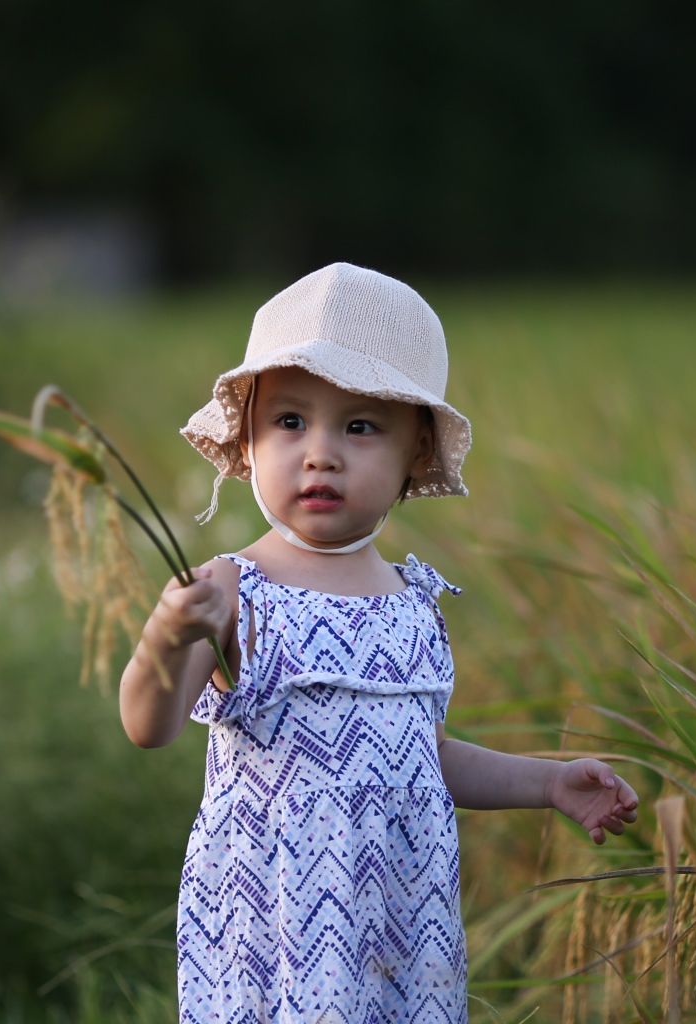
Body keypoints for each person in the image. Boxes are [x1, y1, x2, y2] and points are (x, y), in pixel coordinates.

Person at [119, 263, 639, 1023]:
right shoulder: (231, 590)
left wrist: (548, 783)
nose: (321, 452)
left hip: (399, 915)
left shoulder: (412, 601)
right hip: (279, 919)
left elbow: (416, 757)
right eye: (290, 422)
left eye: (360, 427)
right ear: (249, 437)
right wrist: (167, 638)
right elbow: (146, 725)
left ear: (414, 454)